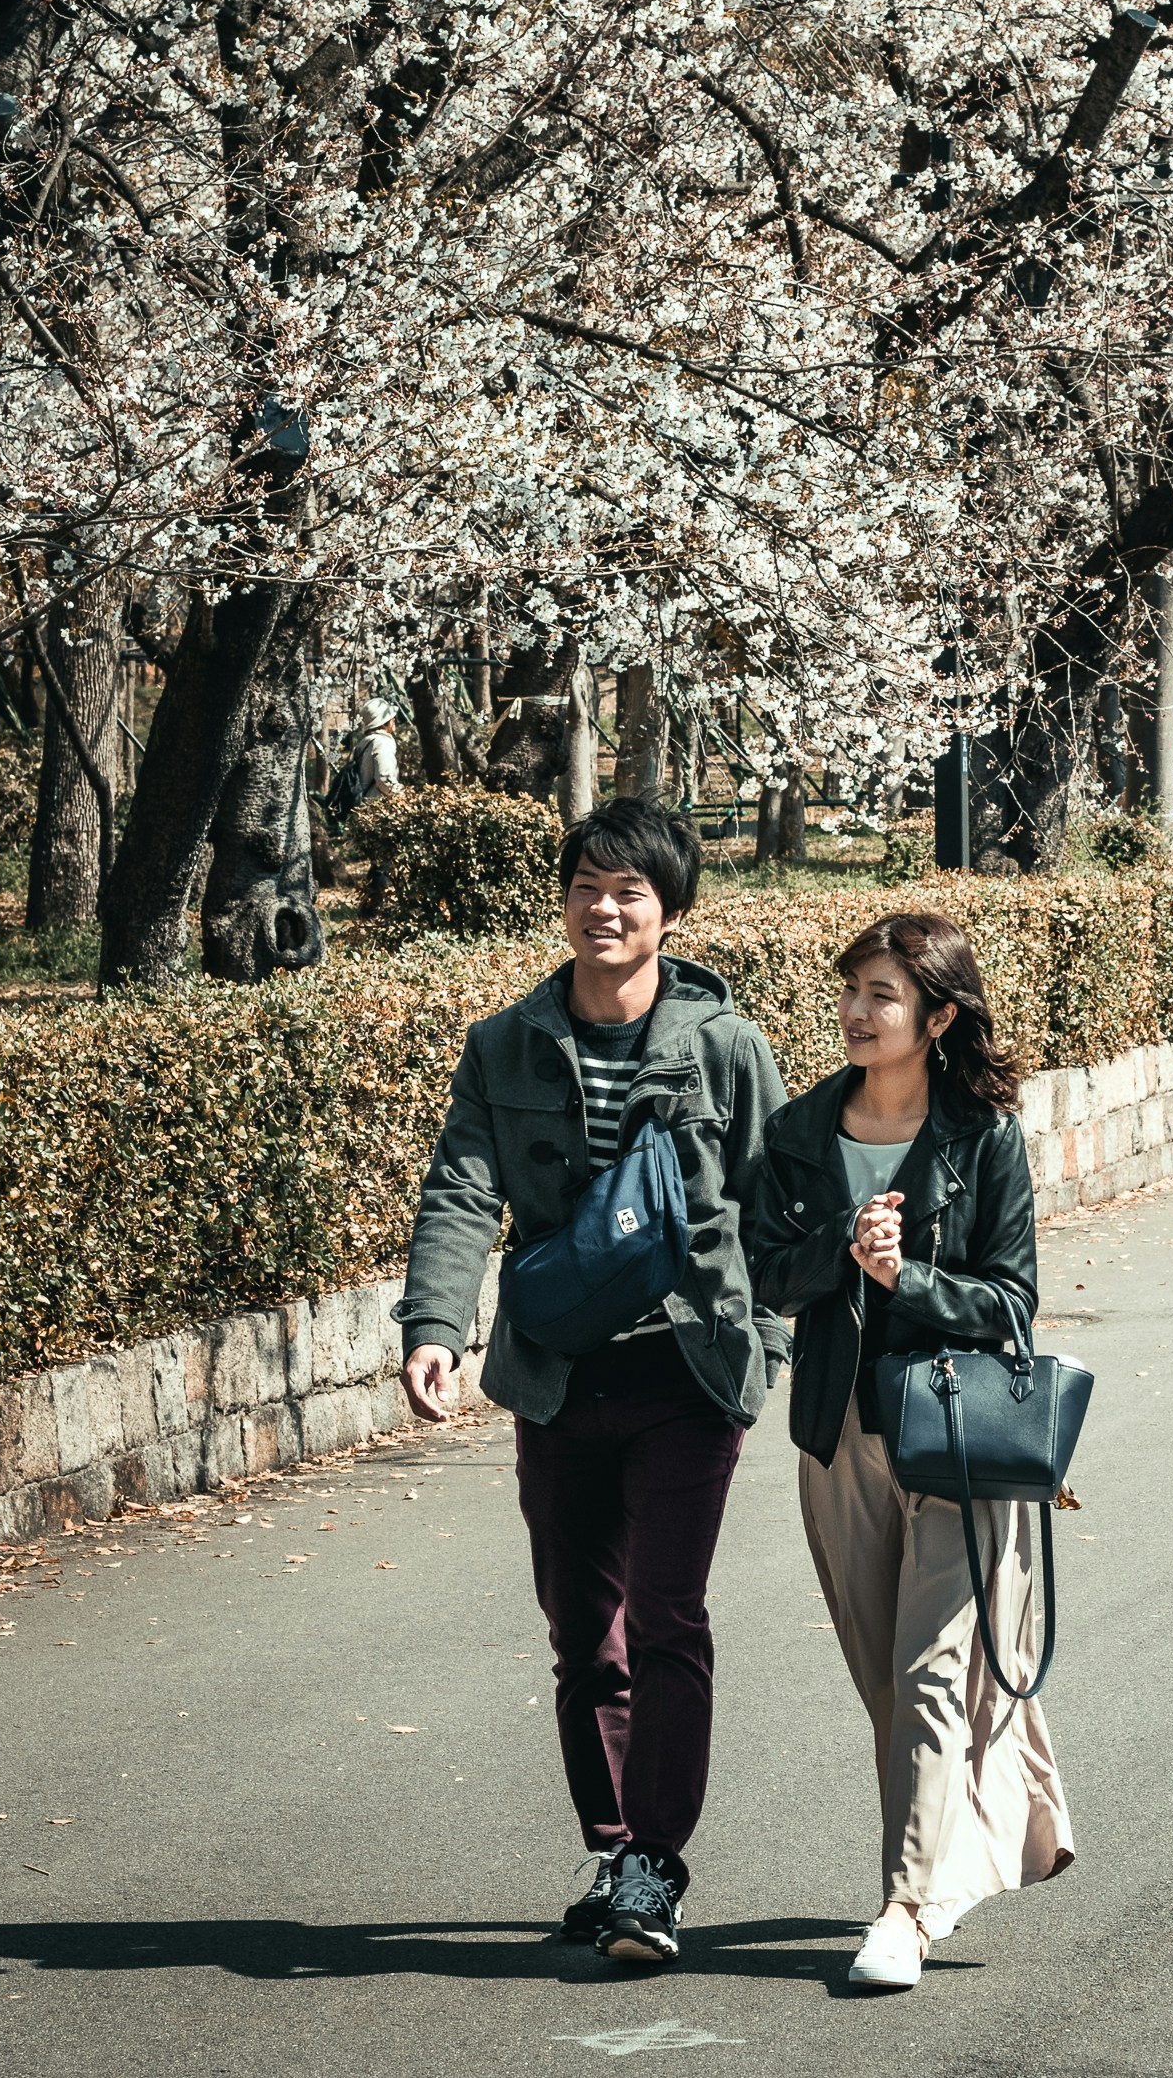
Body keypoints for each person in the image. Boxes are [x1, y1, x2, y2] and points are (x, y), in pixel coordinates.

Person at [393, 798, 789, 1969]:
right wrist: (435, 1324)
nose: (604, 908)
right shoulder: (503, 1043)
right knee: (583, 1635)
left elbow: (775, 1203)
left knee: (668, 1616)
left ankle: (654, 1866)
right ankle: (613, 1844)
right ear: (563, 899)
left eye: (630, 892)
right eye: (587, 886)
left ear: (670, 912)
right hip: (559, 1376)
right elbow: (462, 1189)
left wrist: (762, 1349)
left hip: (685, 1370)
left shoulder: (727, 1045)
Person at [748, 912, 1073, 1994]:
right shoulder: (800, 1133)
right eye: (851, 989)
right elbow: (760, 1273)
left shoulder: (983, 1139)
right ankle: (994, 1817)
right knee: (890, 1680)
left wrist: (910, 1284)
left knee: (936, 1675)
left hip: (958, 1435)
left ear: (937, 1016)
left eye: (882, 994)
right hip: (839, 1434)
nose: (856, 1010)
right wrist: (839, 1244)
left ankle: (904, 1910)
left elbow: (1013, 1303)